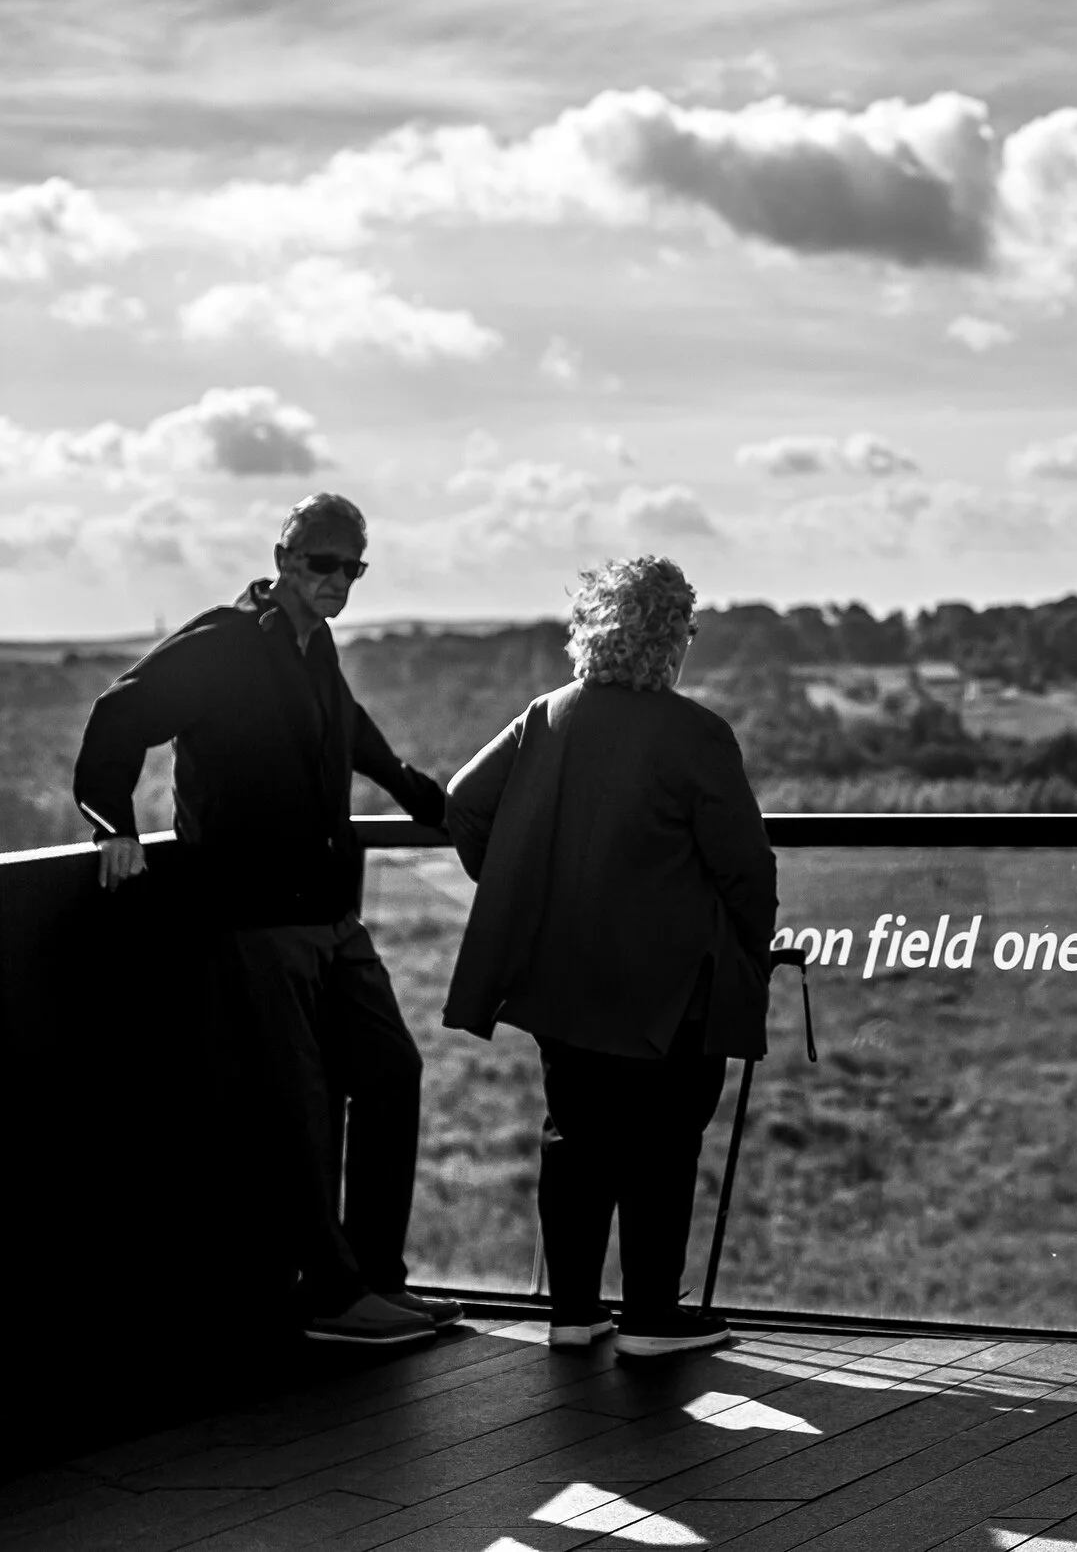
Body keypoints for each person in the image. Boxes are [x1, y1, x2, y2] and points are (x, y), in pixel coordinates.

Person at [72, 492, 457, 1346]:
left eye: (352, 567)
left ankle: (376, 1278)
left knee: (391, 1071)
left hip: (327, 911)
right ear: (283, 557)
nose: (338, 581)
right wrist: (113, 824)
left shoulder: (315, 648)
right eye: (322, 563)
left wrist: (420, 794)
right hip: (252, 916)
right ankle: (333, 1294)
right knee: (298, 1105)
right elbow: (119, 714)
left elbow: (349, 732)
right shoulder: (222, 643)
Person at [442, 555, 777, 1356]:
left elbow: (462, 800)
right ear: (670, 637)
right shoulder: (695, 734)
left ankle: (573, 1312)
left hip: (563, 979)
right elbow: (747, 868)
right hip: (669, 989)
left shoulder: (547, 715)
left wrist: (520, 885)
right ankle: (653, 1318)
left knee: (575, 1139)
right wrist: (749, 948)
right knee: (664, 1142)